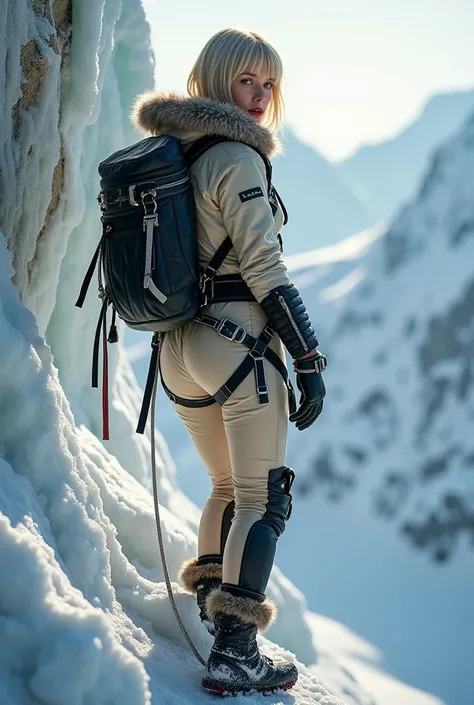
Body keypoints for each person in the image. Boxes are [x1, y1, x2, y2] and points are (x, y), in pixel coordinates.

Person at [132, 27, 326, 695]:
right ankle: (236, 652)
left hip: (179, 347)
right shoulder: (239, 159)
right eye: (247, 80)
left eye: (269, 84)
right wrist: (307, 357)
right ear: (215, 79)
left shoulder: (173, 149)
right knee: (262, 500)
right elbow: (264, 269)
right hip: (237, 343)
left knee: (224, 487)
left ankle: (217, 620)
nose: (260, 97)